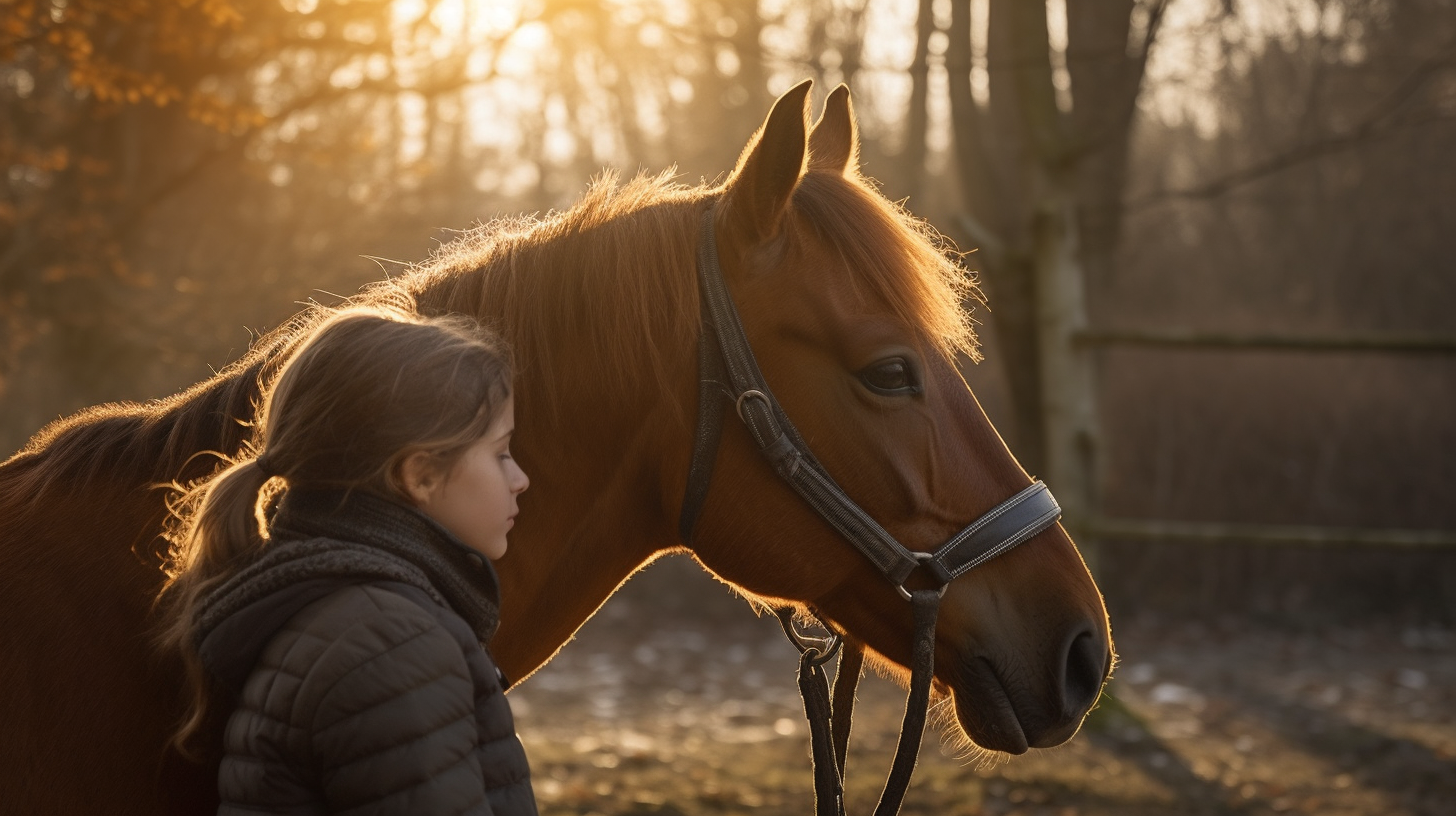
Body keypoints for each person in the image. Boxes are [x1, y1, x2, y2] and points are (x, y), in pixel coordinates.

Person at [157, 305, 536, 815]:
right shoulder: (391, 645)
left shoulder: (342, 613)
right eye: (501, 453)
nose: (520, 480)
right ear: (420, 475)